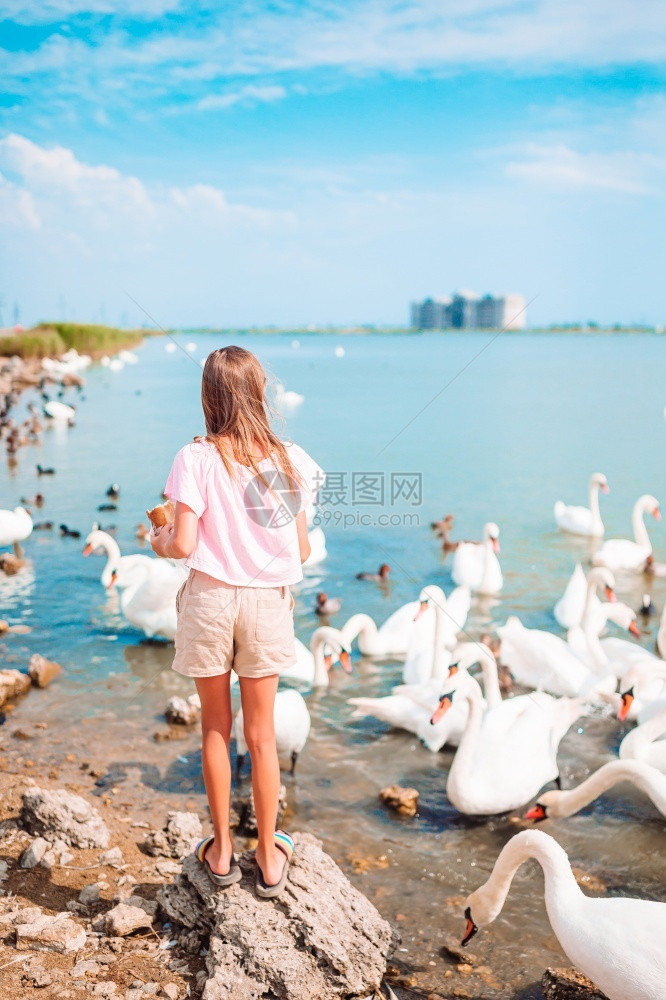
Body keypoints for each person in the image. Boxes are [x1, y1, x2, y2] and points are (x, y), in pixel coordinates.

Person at [150, 346, 323, 898]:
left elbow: (182, 543)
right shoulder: (288, 457)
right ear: (260, 392)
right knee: (263, 736)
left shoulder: (194, 457)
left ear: (209, 396)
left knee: (215, 730)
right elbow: (301, 547)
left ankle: (222, 850)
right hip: (266, 603)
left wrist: (156, 540)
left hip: (210, 600)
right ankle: (270, 857)